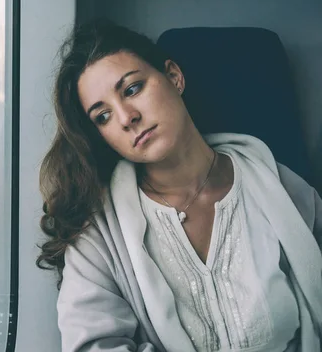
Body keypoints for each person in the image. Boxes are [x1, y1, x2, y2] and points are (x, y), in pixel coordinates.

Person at [37, 18, 322, 352]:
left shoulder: (284, 190)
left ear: (173, 76)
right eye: (103, 116)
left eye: (132, 89)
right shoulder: (97, 236)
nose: (127, 117)